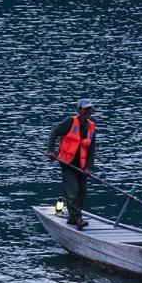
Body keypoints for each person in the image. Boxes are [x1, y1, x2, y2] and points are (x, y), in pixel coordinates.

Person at [46, 98, 97, 230]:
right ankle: (78, 218)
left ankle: (72, 218)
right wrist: (51, 151)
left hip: (82, 165)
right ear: (79, 110)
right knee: (72, 190)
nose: (88, 111)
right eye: (86, 109)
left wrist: (89, 168)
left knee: (82, 191)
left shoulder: (91, 126)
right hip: (67, 163)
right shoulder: (70, 122)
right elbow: (54, 132)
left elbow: (92, 148)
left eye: (90, 109)